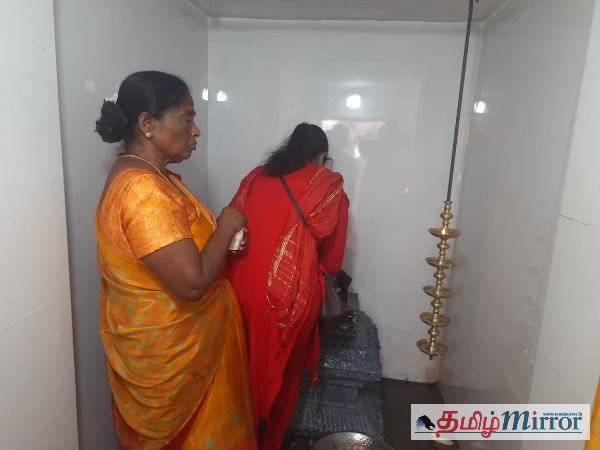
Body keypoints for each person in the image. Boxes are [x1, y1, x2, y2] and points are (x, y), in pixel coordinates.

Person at [95, 71, 257, 450]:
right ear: (147, 124)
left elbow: (176, 252)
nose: (196, 130)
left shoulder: (150, 174)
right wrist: (225, 227)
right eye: (187, 118)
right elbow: (191, 283)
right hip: (175, 360)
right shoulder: (144, 190)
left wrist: (220, 244)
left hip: (189, 347)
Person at [229, 123, 350, 450]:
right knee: (284, 375)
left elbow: (231, 227)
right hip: (288, 299)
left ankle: (236, 437)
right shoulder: (328, 187)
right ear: (321, 156)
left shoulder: (255, 177)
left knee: (239, 368)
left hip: (237, 287)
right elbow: (333, 262)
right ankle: (267, 442)